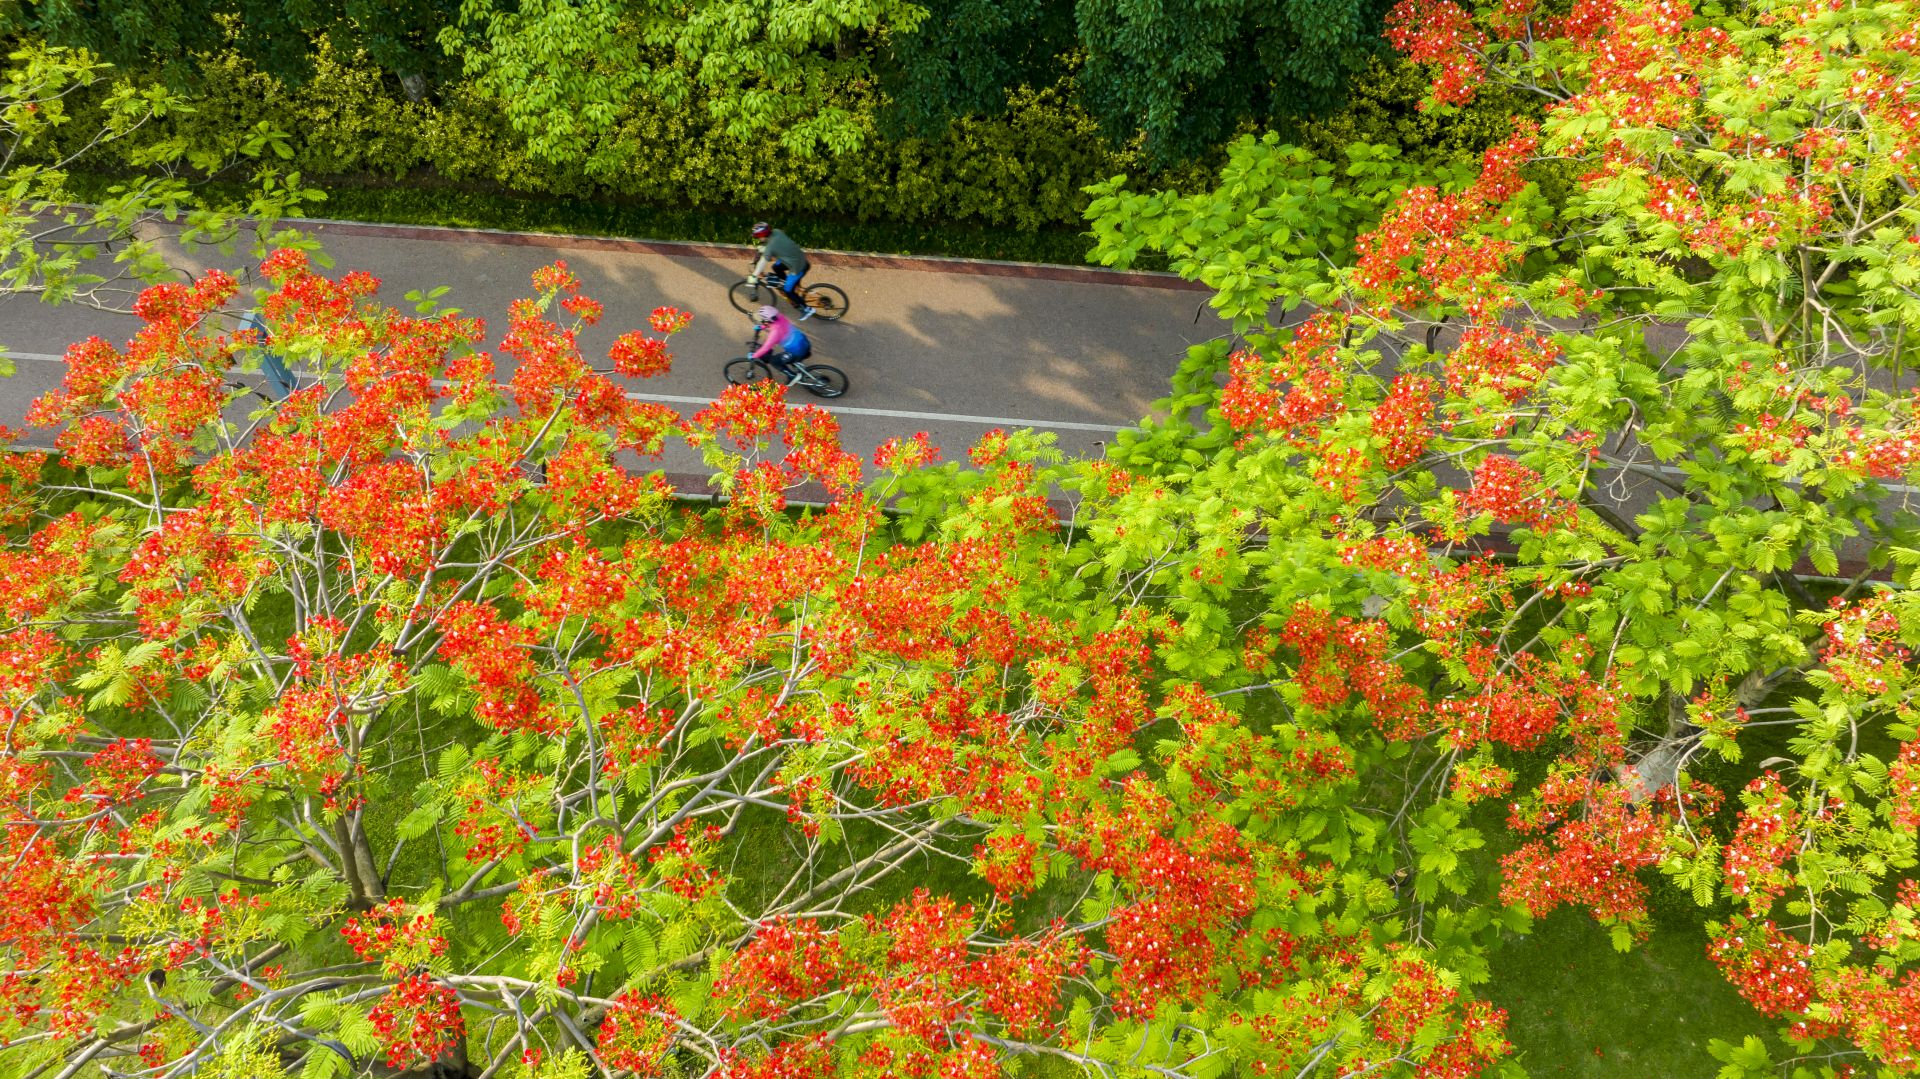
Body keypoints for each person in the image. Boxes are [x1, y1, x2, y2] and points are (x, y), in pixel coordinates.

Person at [750, 221, 813, 320]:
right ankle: (789, 282)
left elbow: (763, 262)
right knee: (776, 267)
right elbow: (777, 247)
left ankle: (807, 309)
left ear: (762, 234)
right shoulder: (776, 231)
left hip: (798, 267)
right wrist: (765, 250)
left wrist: (754, 276)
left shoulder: (771, 246)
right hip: (798, 258)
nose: (758, 239)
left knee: (788, 290)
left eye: (758, 236)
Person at [751, 305, 811, 374]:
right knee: (787, 355)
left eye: (762, 320)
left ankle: (791, 376)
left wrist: (754, 356)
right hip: (805, 342)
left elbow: (765, 348)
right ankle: (796, 363)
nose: (762, 321)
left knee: (774, 361)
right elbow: (771, 322)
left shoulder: (775, 333)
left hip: (798, 351)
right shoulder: (780, 317)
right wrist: (762, 327)